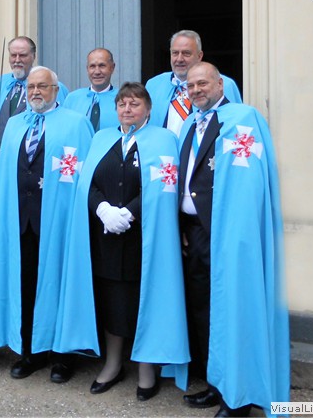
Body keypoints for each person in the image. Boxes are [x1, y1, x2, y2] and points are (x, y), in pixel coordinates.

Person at [57, 82, 190, 401]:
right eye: (122, 104)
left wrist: (129, 213)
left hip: (144, 238)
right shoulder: (101, 138)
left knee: (144, 298)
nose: (127, 109)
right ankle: (113, 363)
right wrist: (102, 209)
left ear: (148, 109)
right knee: (110, 300)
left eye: (134, 104)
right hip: (105, 237)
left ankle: (146, 367)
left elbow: (164, 186)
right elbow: (86, 183)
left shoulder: (163, 139)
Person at [177, 62, 289, 417]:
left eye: (203, 83)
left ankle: (238, 399)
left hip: (229, 234)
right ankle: (217, 383)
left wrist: (237, 233)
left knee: (235, 309)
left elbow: (247, 182)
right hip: (195, 233)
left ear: (221, 84)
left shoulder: (243, 119)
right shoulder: (188, 125)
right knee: (205, 310)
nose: (197, 90)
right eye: (191, 85)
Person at [0, 66, 94, 384]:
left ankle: (63, 356)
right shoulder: (15, 125)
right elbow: (6, 175)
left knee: (59, 284)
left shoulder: (75, 124)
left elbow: (84, 176)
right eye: (31, 87)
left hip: (58, 221)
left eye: (42, 86)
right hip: (21, 221)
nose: (36, 92)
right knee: (26, 284)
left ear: (56, 90)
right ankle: (31, 351)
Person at [0, 36, 69, 155]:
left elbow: (61, 126)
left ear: (33, 56)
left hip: (31, 157)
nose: (17, 60)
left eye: (22, 55)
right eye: (13, 55)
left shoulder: (52, 86)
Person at [145, 30, 242, 137]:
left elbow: (236, 127)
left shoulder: (223, 84)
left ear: (199, 56)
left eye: (186, 53)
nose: (179, 59)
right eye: (175, 53)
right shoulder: (153, 85)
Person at [62, 48, 119, 132]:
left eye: (102, 66)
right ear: (87, 69)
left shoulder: (122, 99)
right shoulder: (72, 99)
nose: (97, 72)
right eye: (92, 66)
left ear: (112, 68)